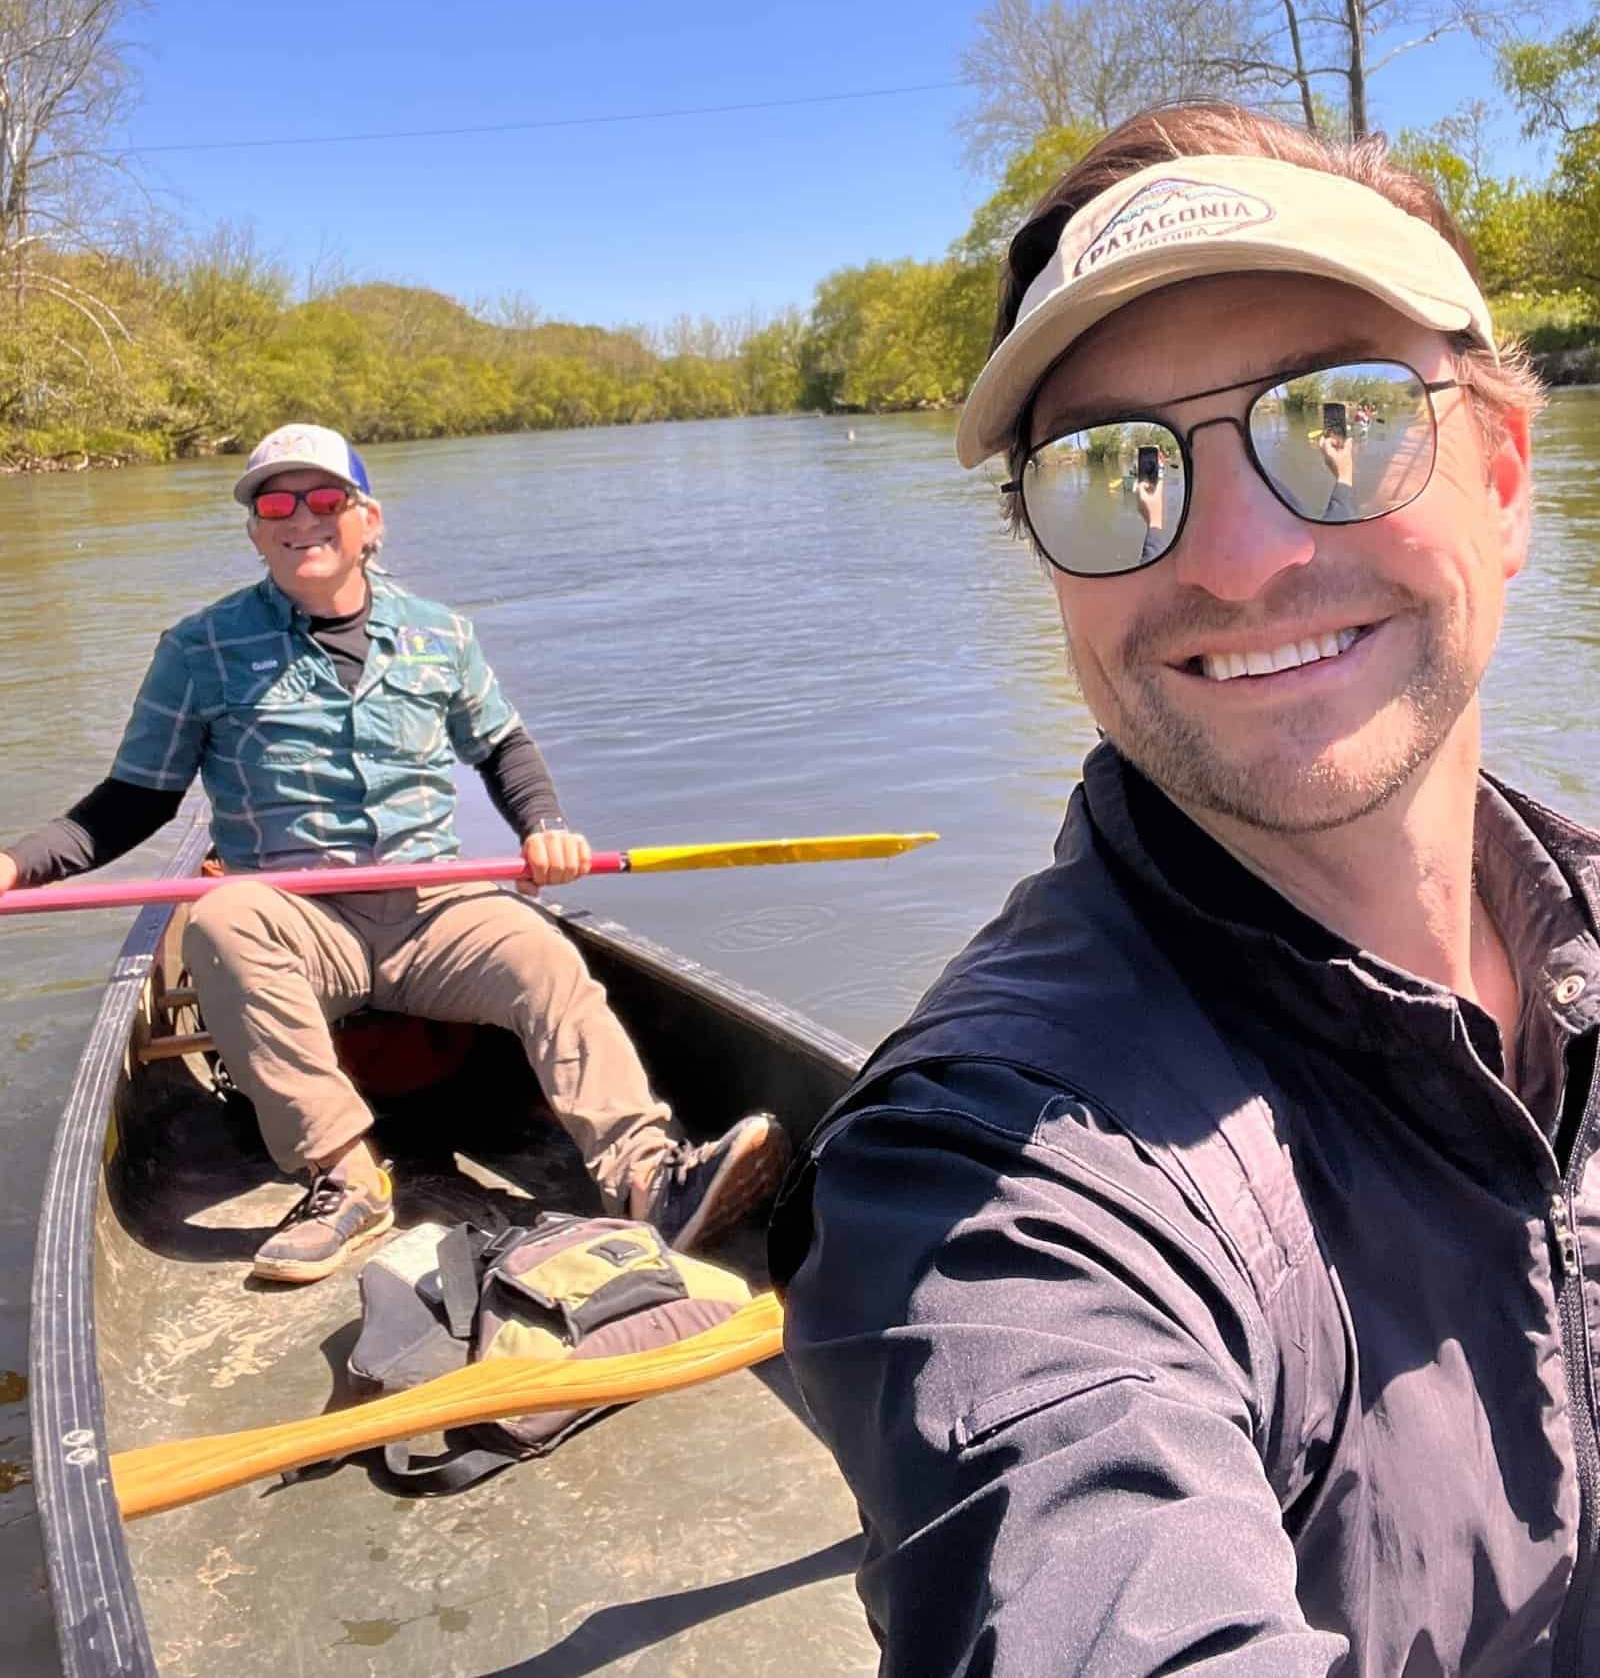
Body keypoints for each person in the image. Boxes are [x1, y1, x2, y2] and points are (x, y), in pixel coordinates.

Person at [772, 106, 1600, 1674]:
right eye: (1110, 471)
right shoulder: (990, 1187)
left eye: (1338, 420)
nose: (1230, 554)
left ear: (1502, 478)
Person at [1, 424, 786, 1283]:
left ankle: (647, 1176)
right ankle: (343, 1180)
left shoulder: (440, 634)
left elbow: (503, 748)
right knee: (221, 922)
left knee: (542, 951)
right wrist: (17, 864)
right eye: (276, 502)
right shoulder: (199, 648)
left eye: (326, 499)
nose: (302, 518)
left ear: (369, 521)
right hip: (297, 918)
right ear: (255, 532)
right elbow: (134, 799)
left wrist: (543, 826)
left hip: (429, 913)